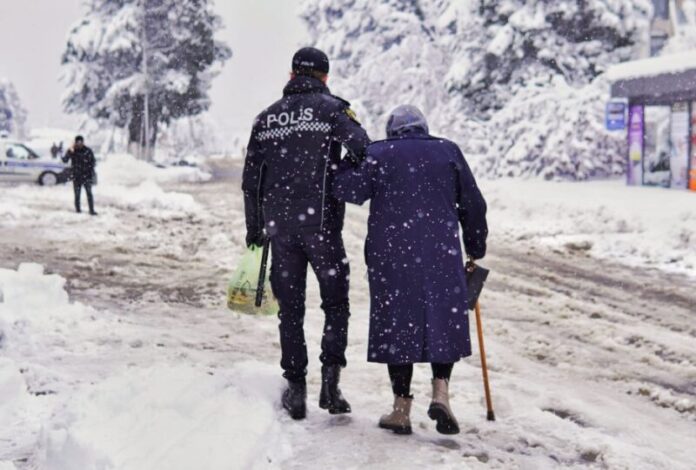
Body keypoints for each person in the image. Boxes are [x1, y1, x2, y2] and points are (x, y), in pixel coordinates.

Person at [333, 105, 488, 435]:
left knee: (396, 325)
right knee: (442, 321)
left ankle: (401, 409)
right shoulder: (448, 151)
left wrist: (348, 156)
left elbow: (348, 190)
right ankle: (441, 393)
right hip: (440, 256)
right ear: (423, 127)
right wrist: (476, 246)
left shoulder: (378, 153)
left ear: (392, 130)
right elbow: (473, 203)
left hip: (392, 257)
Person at [242, 47, 370, 420]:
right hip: (323, 226)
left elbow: (251, 183)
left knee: (290, 311)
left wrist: (256, 229)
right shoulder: (333, 111)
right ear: (325, 77)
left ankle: (295, 389)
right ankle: (331, 385)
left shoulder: (266, 119)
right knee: (335, 305)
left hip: (280, 229)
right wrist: (336, 175)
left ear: (292, 73)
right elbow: (364, 150)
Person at [62, 135, 97, 215]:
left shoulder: (88, 150)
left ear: (83, 142)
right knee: (77, 195)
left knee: (89, 194)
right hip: (76, 176)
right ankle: (78, 210)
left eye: (81, 142)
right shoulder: (72, 150)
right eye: (78, 142)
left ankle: (91, 210)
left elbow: (93, 162)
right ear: (75, 142)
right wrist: (69, 151)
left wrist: (89, 169)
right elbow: (65, 160)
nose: (79, 144)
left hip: (86, 176)